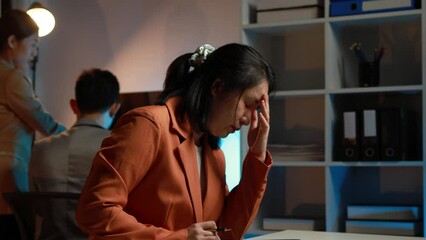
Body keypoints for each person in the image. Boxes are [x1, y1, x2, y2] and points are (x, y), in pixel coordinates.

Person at [76, 43, 276, 240]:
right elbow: (95, 211)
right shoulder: (149, 125)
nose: (249, 119)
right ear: (217, 87)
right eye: (248, 105)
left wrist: (256, 155)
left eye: (256, 111)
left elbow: (226, 232)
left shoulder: (215, 155)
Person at [29, 68, 120, 239]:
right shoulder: (117, 147)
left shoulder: (39, 149)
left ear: (74, 105)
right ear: (114, 108)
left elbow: (37, 208)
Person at [0, 9, 66, 238]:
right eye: (33, 44)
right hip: (7, 172)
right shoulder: (11, 78)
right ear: (11, 41)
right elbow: (43, 122)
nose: (35, 53)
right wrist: (76, 136)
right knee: (14, 230)